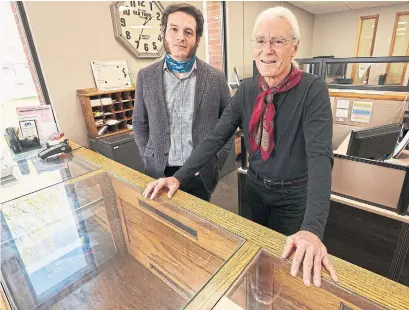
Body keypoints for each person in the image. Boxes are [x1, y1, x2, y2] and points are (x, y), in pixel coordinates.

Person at [143, 6, 337, 287]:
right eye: (260, 41)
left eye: (277, 41)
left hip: (294, 196)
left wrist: (312, 229)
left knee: (285, 267)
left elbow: (320, 157)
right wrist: (178, 177)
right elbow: (215, 137)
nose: (266, 50)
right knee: (254, 254)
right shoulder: (247, 89)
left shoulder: (313, 90)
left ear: (295, 47)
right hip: (255, 189)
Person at [133, 3, 233, 202]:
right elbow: (139, 123)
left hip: (200, 173)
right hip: (158, 171)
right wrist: (148, 157)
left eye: (188, 32)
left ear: (197, 38)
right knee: (163, 226)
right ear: (163, 31)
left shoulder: (216, 78)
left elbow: (228, 125)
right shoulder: (146, 76)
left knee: (197, 228)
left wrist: (214, 159)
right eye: (174, 29)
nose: (180, 37)